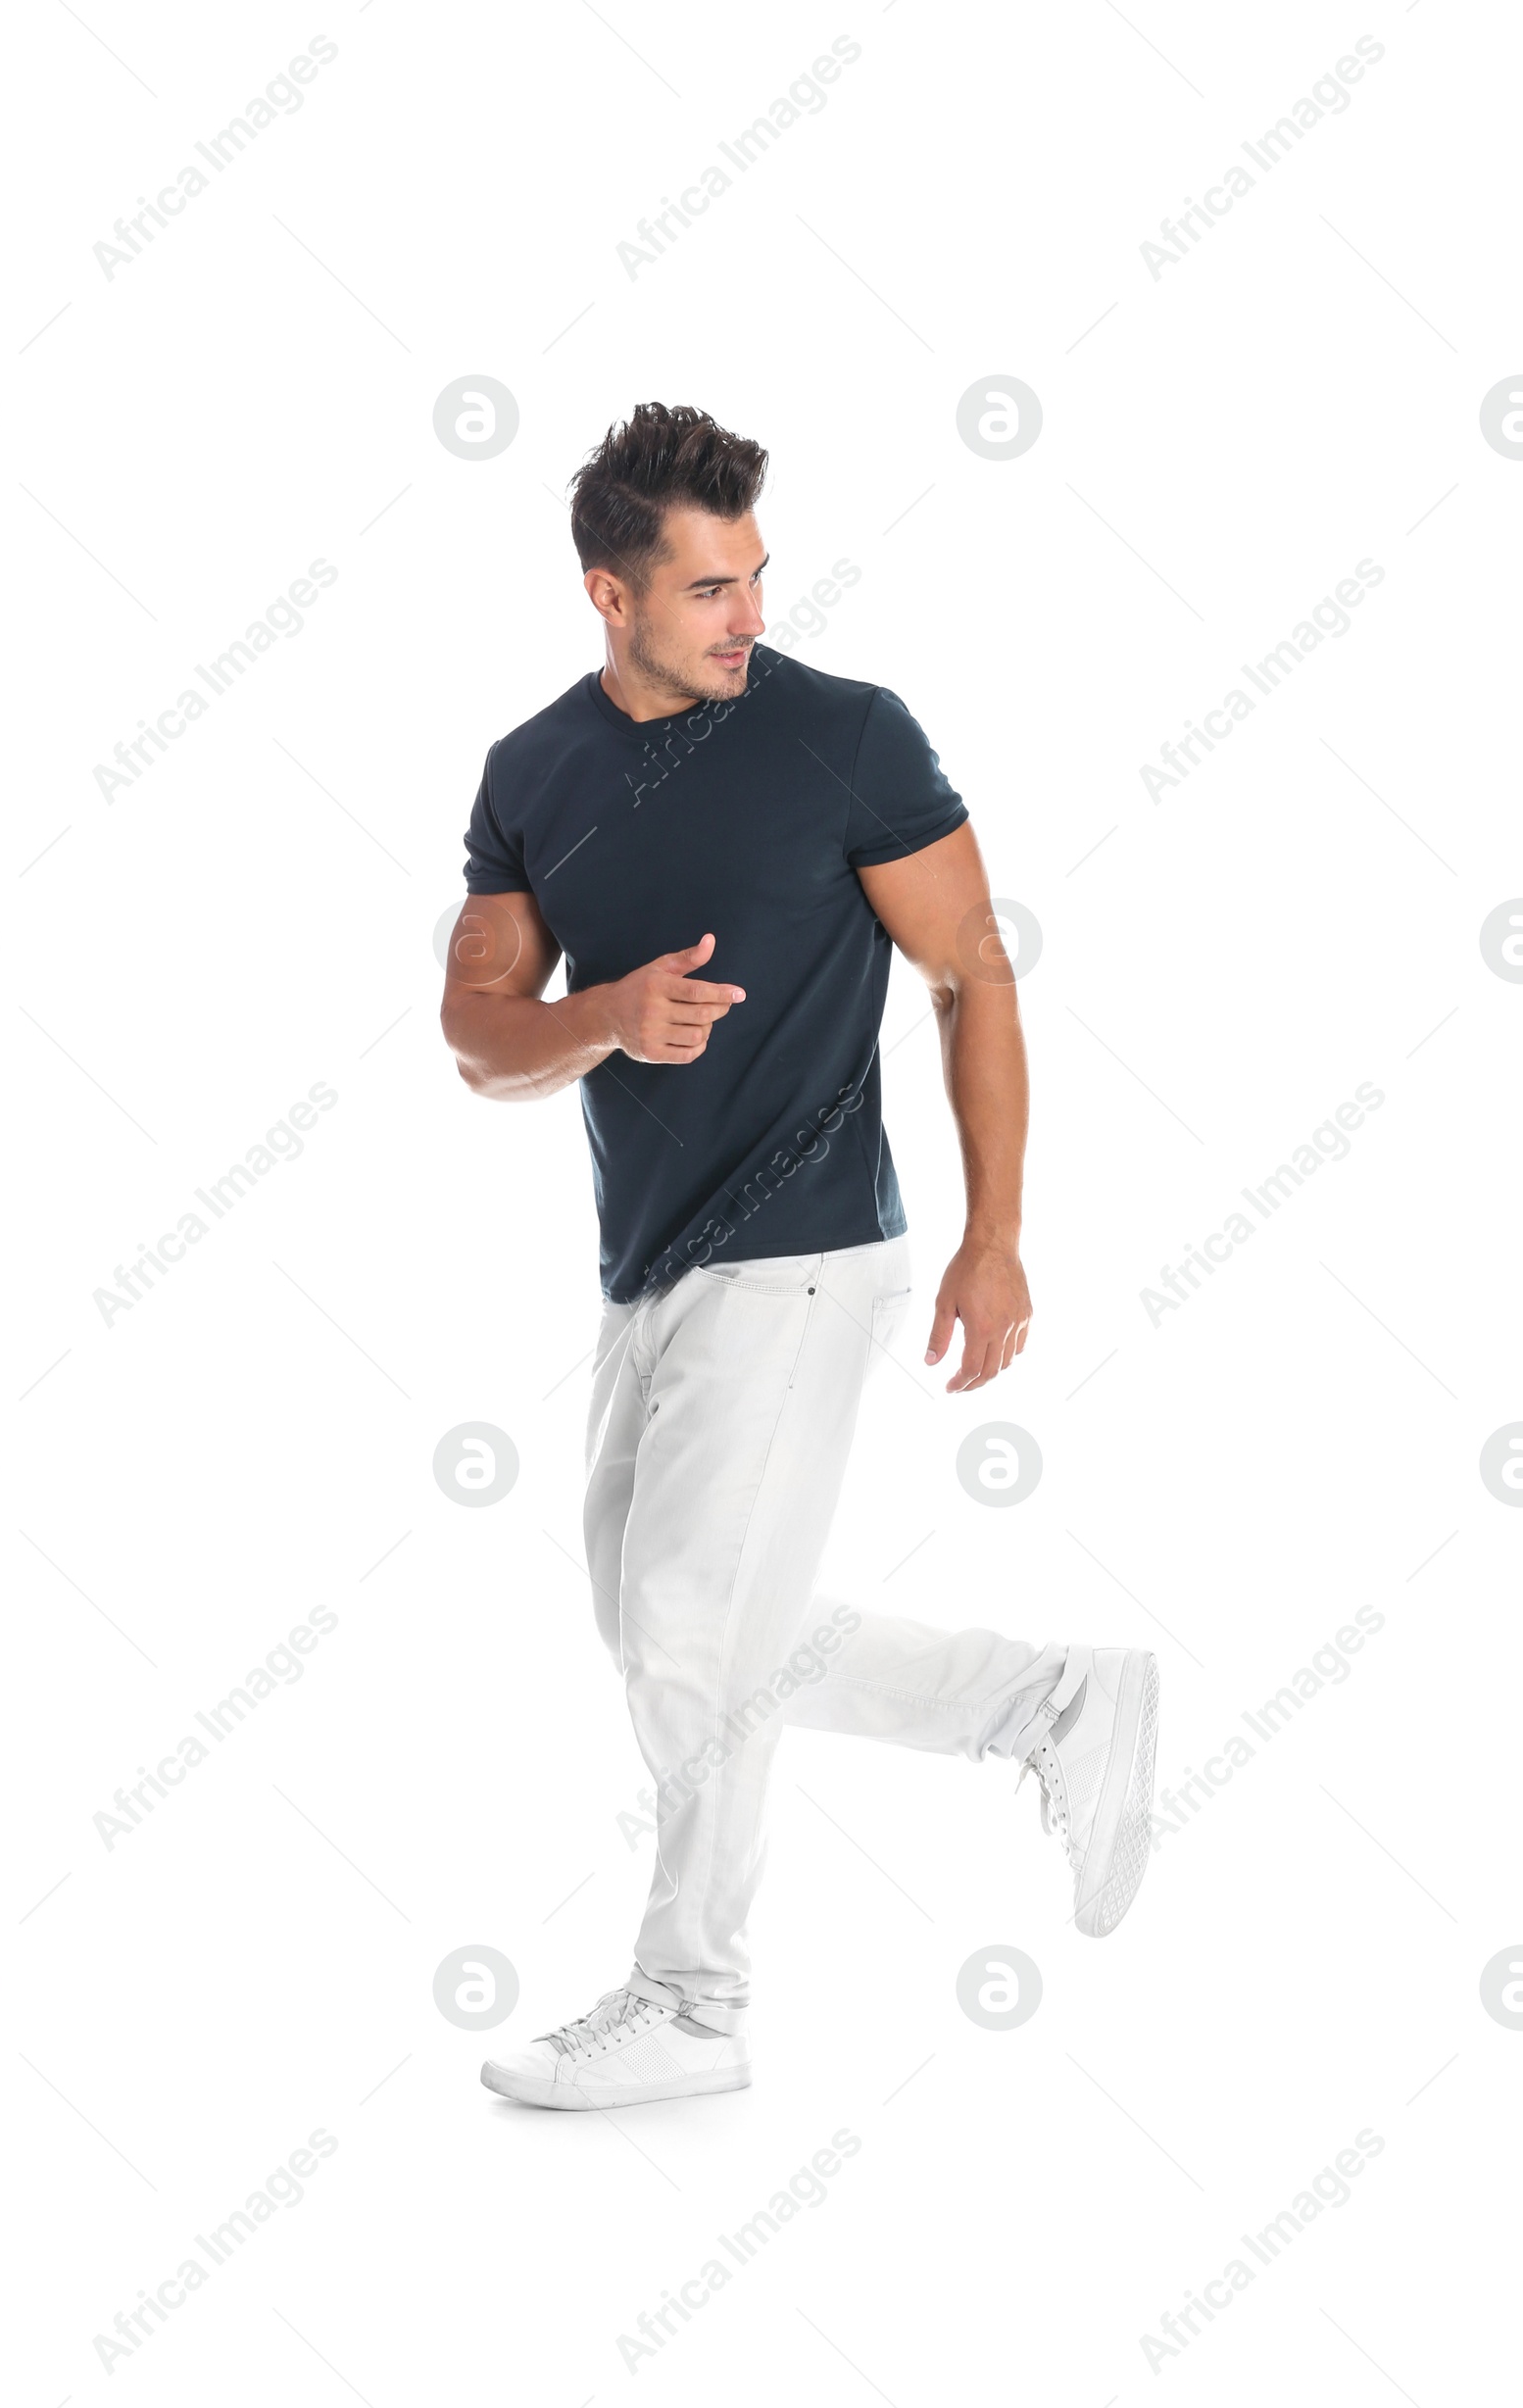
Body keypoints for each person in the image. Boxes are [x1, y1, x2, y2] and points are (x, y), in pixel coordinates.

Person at [440, 403, 1158, 2112]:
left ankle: (694, 1997)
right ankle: (1055, 1701)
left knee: (694, 1616)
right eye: (705, 590)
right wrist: (601, 1014)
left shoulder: (846, 735)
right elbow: (476, 1032)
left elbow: (974, 969)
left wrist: (997, 1236)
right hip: (648, 1267)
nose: (747, 616)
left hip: (815, 1245)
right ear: (607, 597)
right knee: (669, 1615)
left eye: (756, 578)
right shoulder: (531, 772)